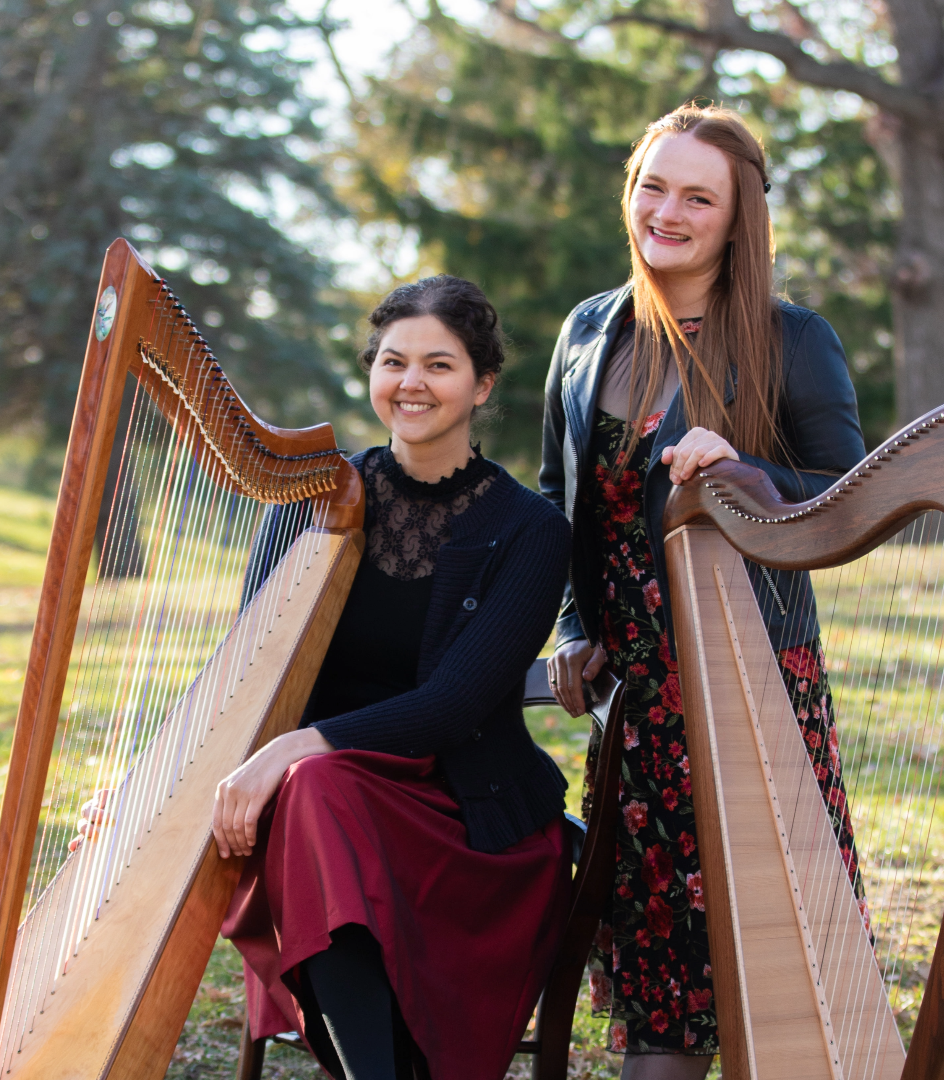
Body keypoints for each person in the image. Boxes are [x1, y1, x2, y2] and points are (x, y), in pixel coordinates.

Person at [541, 104, 868, 1076]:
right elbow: (564, 506)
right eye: (653, 185)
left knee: (781, 974)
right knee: (659, 984)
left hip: (750, 692)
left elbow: (851, 499)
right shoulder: (588, 330)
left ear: (737, 218)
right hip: (636, 706)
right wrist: (570, 625)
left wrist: (751, 471)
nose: (668, 211)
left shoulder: (794, 338)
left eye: (698, 195)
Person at [213, 276, 574, 1080]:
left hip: (461, 820)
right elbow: (248, 675)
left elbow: (453, 706)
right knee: (314, 796)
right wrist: (148, 786)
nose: (411, 382)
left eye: (439, 365)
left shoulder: (532, 531)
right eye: (392, 360)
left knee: (313, 788)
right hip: (321, 814)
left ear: (482, 385)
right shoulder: (307, 504)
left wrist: (293, 751)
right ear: (372, 371)